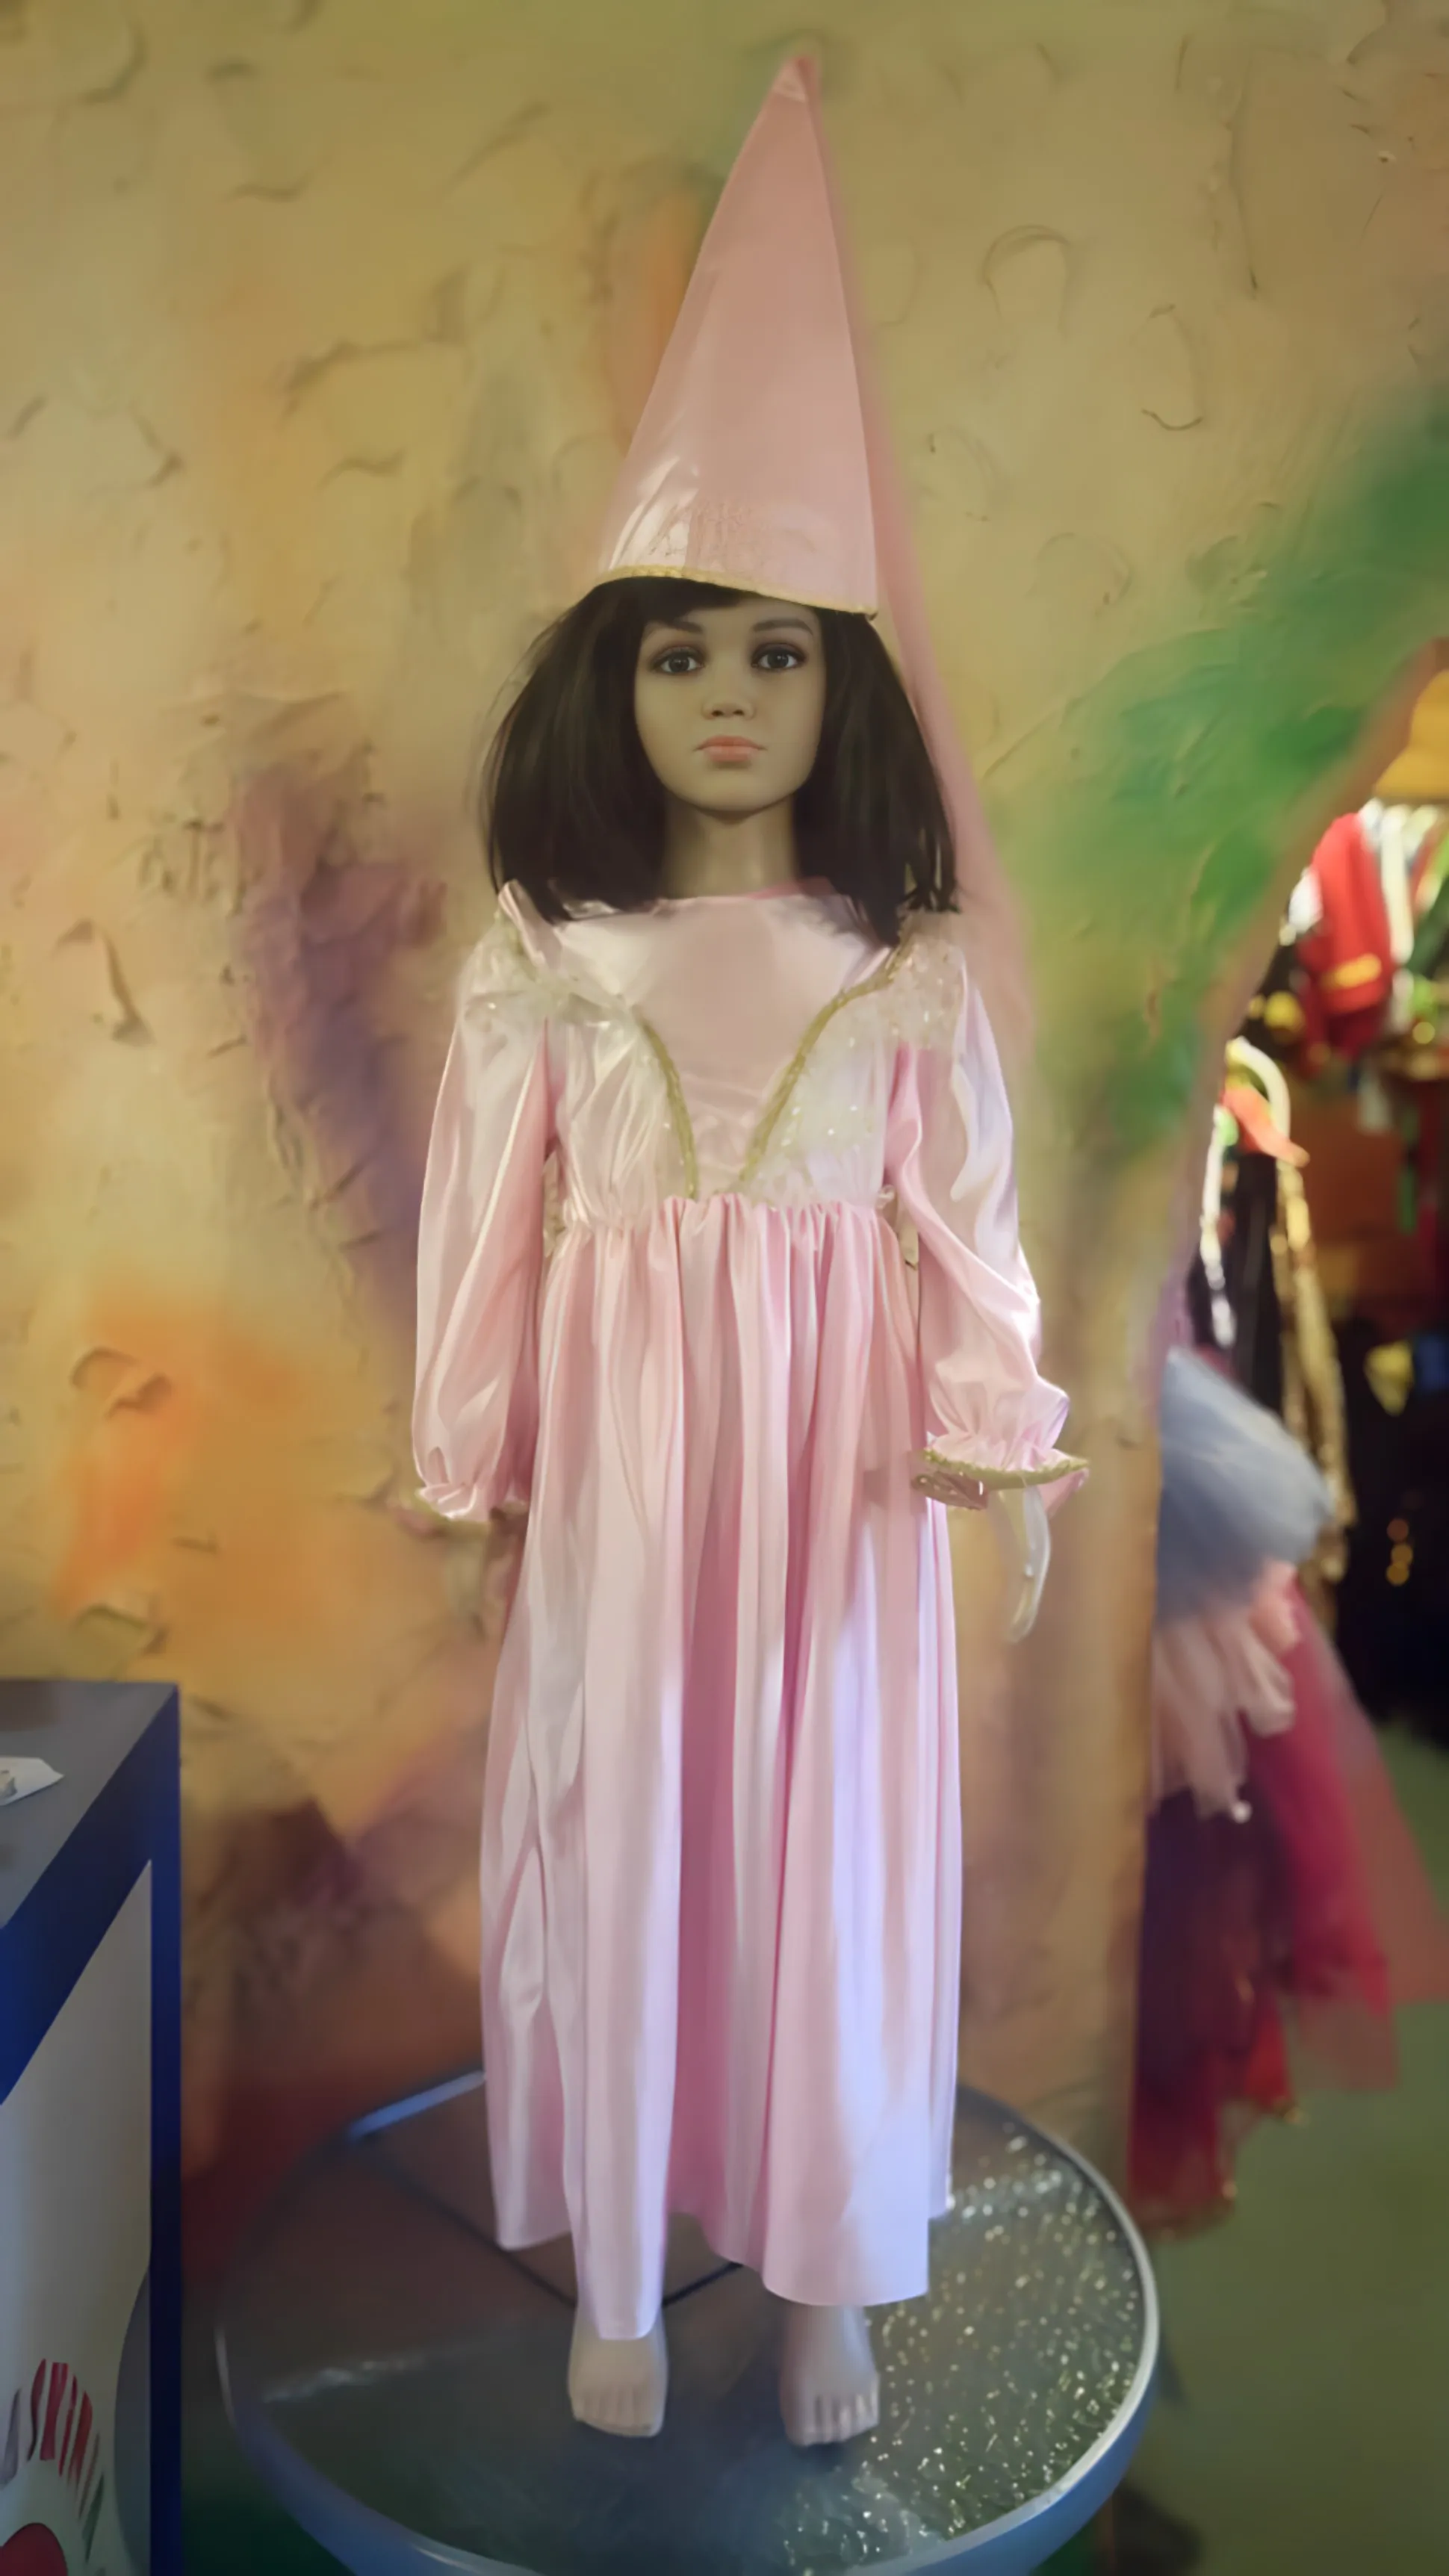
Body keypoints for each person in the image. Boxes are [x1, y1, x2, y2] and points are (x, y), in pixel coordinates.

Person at [412, 61, 1083, 2447]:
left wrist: (995, 1447)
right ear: (615, 683)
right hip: (619, 1476)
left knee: (827, 1852)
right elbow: (481, 1239)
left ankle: (827, 2276)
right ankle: (613, 2267)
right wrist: (472, 1467)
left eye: (775, 652)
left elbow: (965, 1231)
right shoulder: (547, 958)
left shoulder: (898, 975)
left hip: (831, 1485)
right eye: (681, 651)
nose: (724, 697)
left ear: (841, 684)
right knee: (619, 1825)